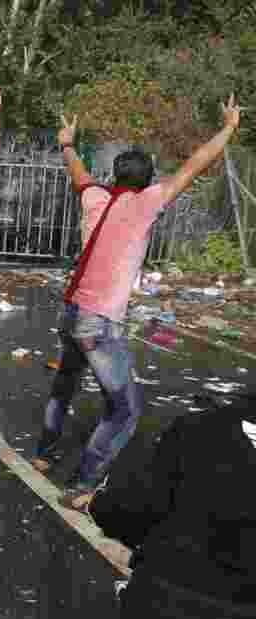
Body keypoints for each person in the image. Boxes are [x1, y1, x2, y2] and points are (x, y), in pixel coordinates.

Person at [30, 94, 244, 513]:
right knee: (125, 409)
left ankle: (43, 452)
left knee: (64, 384)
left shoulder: (94, 197)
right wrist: (229, 128)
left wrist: (67, 141)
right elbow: (194, 164)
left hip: (71, 309)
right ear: (147, 181)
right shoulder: (147, 203)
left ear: (114, 175)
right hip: (99, 321)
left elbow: (77, 172)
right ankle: (84, 484)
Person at [88, 398, 256, 619]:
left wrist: (99, 503)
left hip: (173, 604)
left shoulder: (201, 427)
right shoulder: (202, 427)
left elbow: (130, 514)